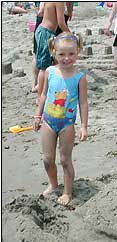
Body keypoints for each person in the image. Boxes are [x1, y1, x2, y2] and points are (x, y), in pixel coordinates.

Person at [33, 32, 88, 207]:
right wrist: (38, 115)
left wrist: (84, 126)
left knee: (65, 160)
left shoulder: (80, 77)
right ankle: (53, 183)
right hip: (49, 121)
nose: (66, 58)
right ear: (53, 52)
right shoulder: (49, 71)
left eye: (71, 54)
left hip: (67, 124)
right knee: (47, 159)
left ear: (78, 51)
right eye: (61, 54)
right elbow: (43, 94)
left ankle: (67, 191)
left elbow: (83, 103)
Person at [32, 2, 73, 93]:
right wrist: (71, 36)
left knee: (54, 61)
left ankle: (50, 86)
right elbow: (61, 23)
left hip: (45, 31)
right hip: (46, 33)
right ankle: (40, 94)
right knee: (44, 67)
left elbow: (42, 11)